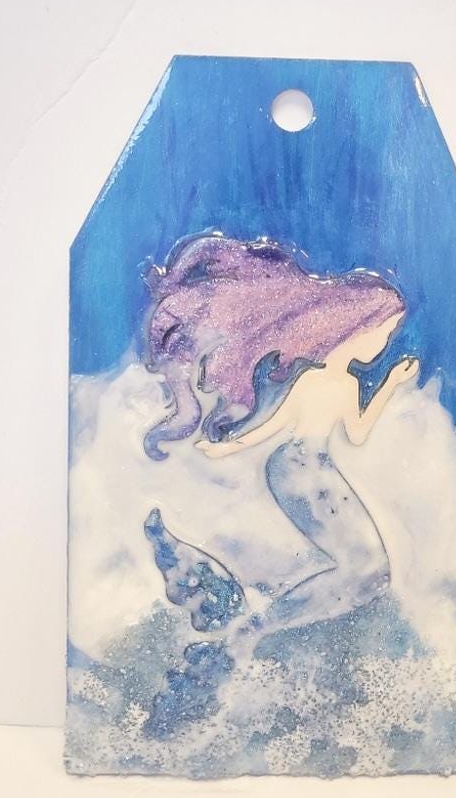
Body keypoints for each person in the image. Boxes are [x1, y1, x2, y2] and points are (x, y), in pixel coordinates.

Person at [138, 232, 419, 737]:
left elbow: (357, 433)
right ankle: (255, 629)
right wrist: (226, 447)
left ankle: (258, 626)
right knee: (366, 569)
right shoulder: (309, 379)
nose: (384, 344)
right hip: (296, 470)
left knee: (370, 572)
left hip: (319, 469)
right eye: (383, 332)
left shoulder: (348, 383)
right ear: (353, 327)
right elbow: (274, 425)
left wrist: (392, 384)